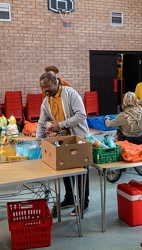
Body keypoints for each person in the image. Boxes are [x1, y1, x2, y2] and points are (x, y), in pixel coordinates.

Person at [35, 72, 90, 216]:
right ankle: (70, 198)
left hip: (79, 138)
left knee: (81, 172)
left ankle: (84, 202)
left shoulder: (70, 94)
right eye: (42, 87)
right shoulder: (46, 102)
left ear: (55, 83)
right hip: (63, 140)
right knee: (64, 169)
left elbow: (81, 115)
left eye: (46, 86)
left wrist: (61, 125)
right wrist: (37, 142)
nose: (44, 90)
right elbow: (41, 123)